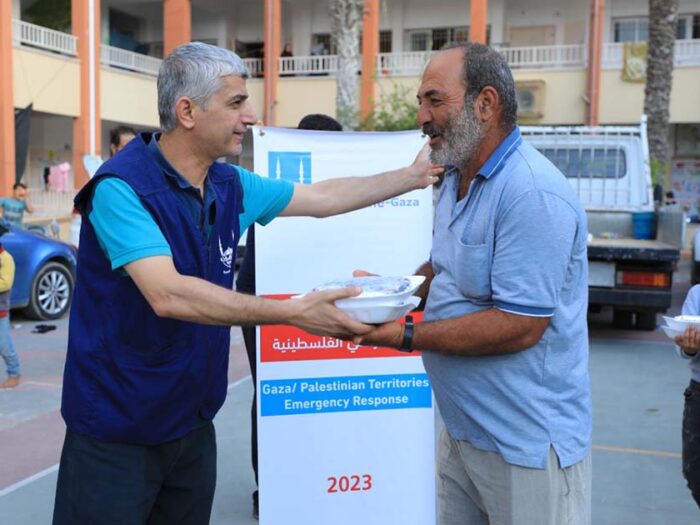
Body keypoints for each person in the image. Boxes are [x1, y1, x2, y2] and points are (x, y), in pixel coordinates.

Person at [52, 42, 442, 525]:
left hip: (192, 428)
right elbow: (167, 293)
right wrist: (295, 312)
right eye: (236, 103)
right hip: (116, 435)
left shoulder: (228, 184)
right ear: (187, 111)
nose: (251, 116)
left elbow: (322, 197)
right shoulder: (121, 189)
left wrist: (409, 177)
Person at [356, 43, 591, 525]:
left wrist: (402, 335)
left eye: (434, 100)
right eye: (421, 101)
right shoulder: (456, 178)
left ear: (486, 104)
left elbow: (520, 325)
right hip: (464, 434)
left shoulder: (532, 192)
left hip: (525, 447)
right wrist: (389, 293)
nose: (421, 116)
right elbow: (444, 269)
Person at [236, 112, 342, 519]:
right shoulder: (278, 182)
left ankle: (303, 476)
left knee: (300, 390)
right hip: (262, 298)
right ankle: (271, 488)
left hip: (301, 296)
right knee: (274, 392)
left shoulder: (318, 184)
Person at [673, 286, 700, 508]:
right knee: (695, 474)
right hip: (699, 394)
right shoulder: (697, 294)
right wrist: (689, 348)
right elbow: (682, 346)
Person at [0, 237, 18, 389]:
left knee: (4, 345)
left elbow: (6, 283)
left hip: (1, 311)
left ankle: (14, 372)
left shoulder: (6, 259)